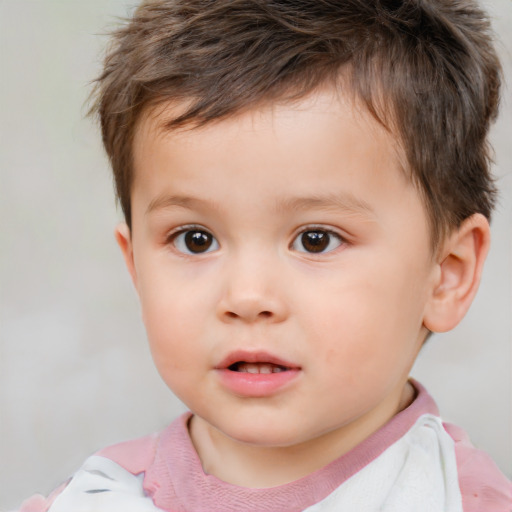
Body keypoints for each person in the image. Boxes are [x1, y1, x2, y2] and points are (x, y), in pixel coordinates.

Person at [17, 0, 511, 511]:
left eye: (316, 239)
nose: (247, 297)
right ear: (136, 266)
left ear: (447, 275)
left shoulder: (460, 501)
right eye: (196, 239)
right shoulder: (92, 499)